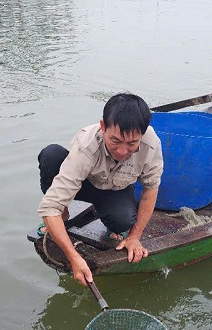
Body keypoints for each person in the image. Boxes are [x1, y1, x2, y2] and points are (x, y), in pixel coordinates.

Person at [37, 93, 163, 287]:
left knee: (122, 221)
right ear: (103, 126)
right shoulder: (85, 145)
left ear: (143, 133)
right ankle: (64, 215)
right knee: (51, 155)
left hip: (115, 190)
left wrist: (134, 237)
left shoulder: (151, 144)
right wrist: (74, 257)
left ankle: (112, 224)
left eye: (131, 143)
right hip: (83, 184)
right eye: (115, 140)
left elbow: (150, 190)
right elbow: (49, 207)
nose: (122, 151)